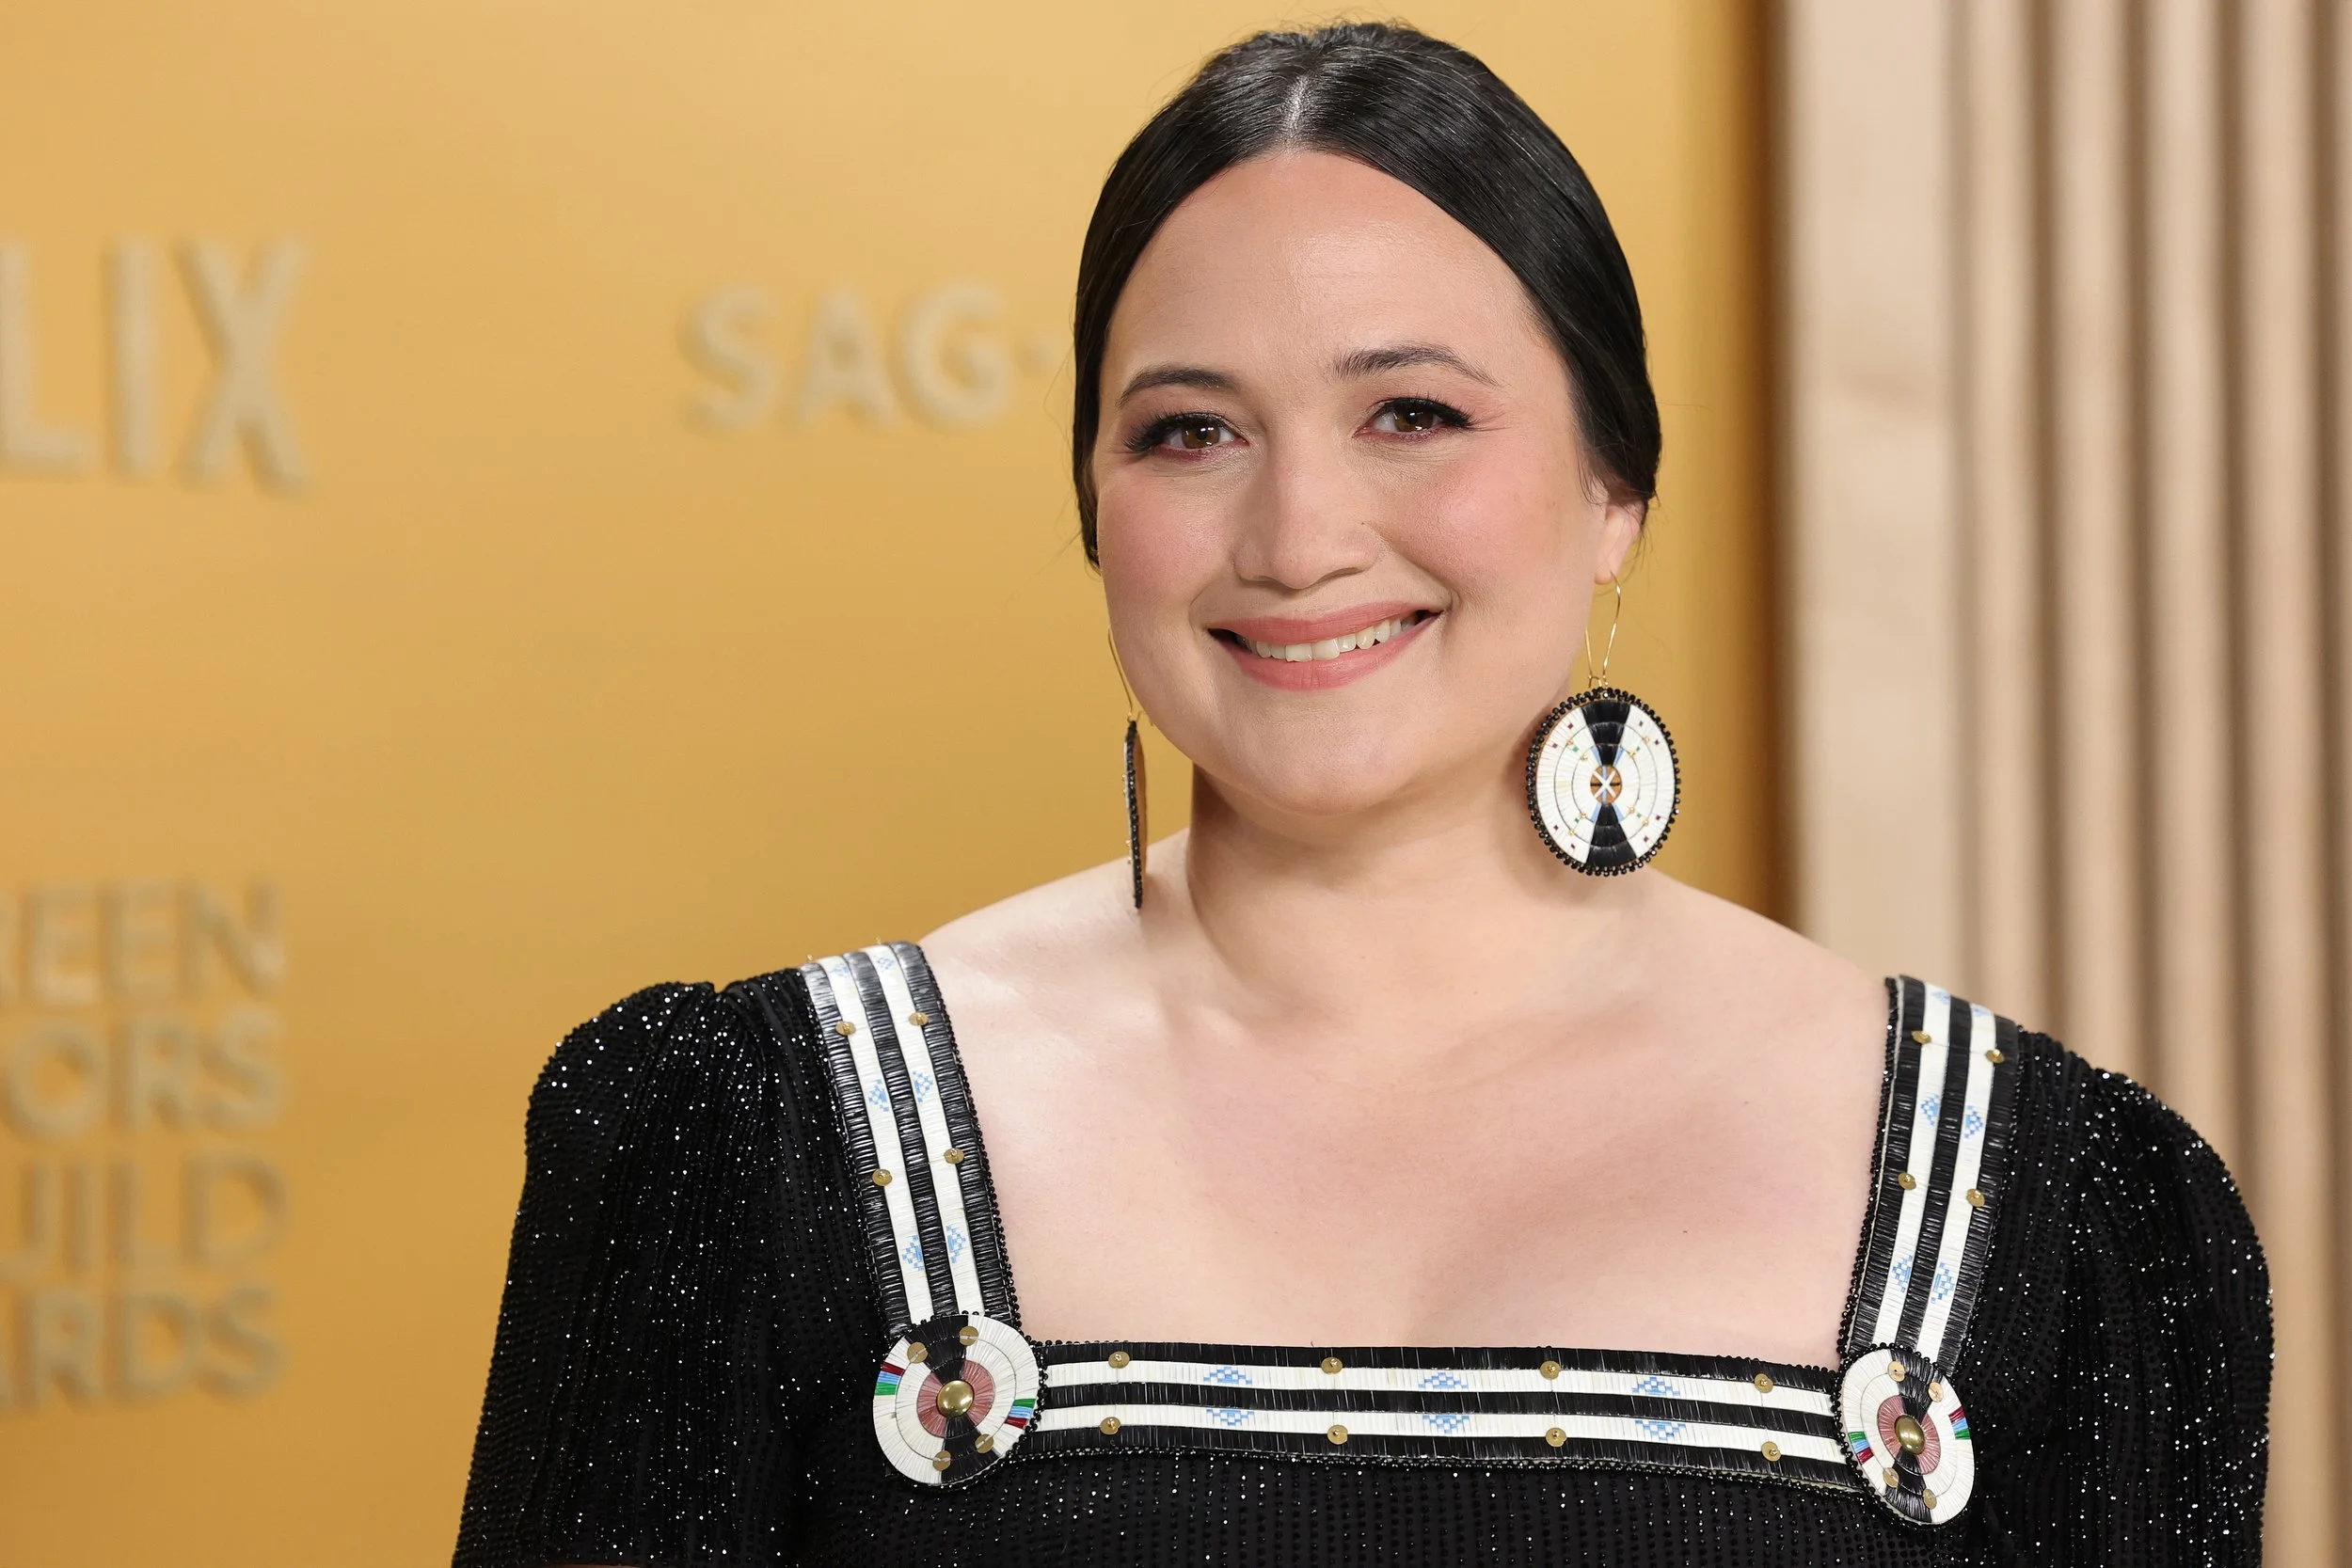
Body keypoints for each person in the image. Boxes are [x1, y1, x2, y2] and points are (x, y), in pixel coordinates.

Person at [453, 24, 2268, 1565]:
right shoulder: (754, 1147)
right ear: (1096, 510)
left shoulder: (2046, 1207)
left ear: (1614, 484)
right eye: (1189, 430)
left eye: (1412, 413)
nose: (1301, 538)